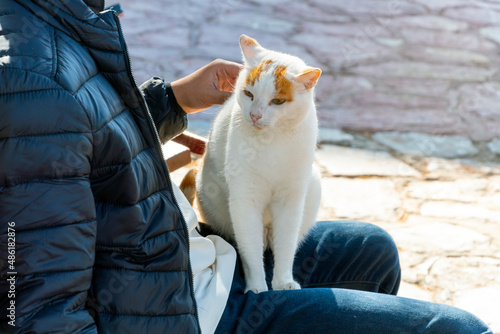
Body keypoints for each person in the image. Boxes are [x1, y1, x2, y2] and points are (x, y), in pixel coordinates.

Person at [0, 1, 492, 333]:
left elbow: (73, 142)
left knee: (372, 249)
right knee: (460, 330)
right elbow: (34, 304)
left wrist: (172, 101)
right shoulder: (28, 75)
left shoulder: (68, 21)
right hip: (178, 310)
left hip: (188, 257)